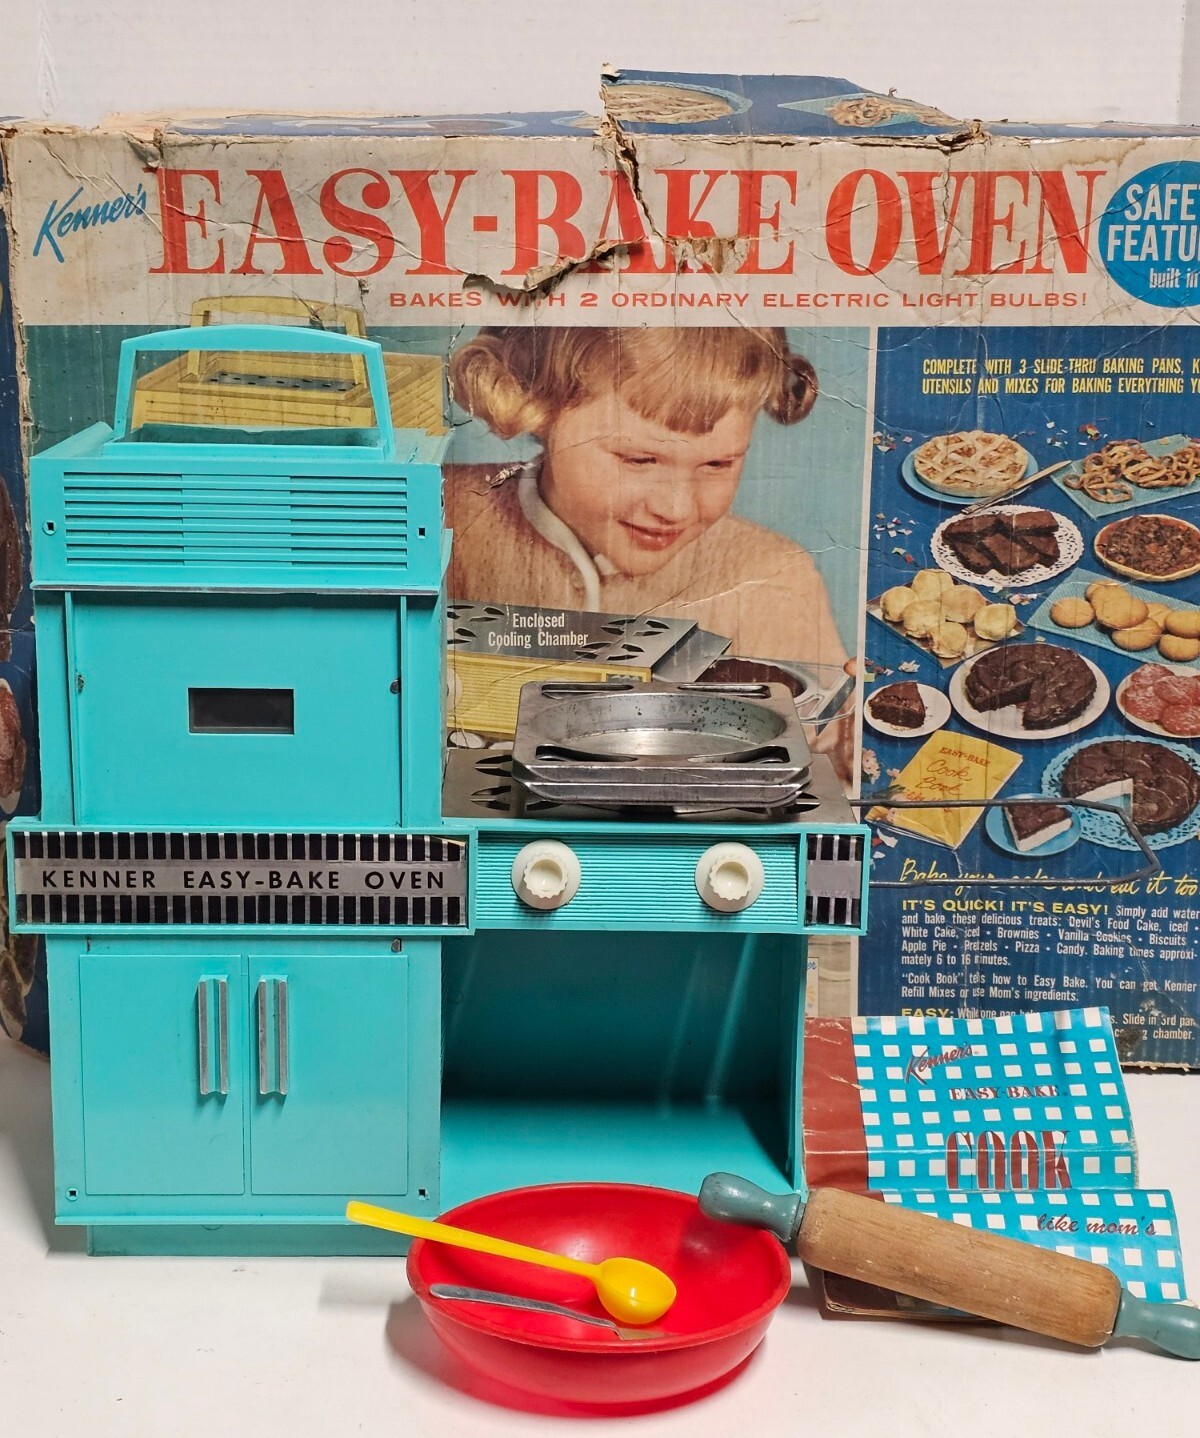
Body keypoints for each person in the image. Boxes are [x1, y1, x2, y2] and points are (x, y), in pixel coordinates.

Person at [446, 325, 855, 781]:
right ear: (535, 409)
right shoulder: (443, 512)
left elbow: (825, 761)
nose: (675, 508)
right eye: (639, 460)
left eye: (718, 464)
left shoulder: (777, 576)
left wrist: (849, 753)